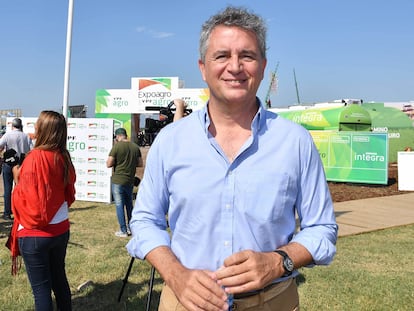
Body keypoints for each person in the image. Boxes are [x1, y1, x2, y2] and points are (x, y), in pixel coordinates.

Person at [126, 6, 338, 311]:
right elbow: (146, 220)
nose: (235, 66)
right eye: (222, 55)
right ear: (203, 67)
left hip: (272, 301)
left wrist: (279, 262)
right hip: (184, 301)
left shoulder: (295, 142)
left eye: (247, 56)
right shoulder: (171, 142)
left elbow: (322, 228)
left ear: (263, 67)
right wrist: (176, 274)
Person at [7, 111, 76, 310]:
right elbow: (66, 192)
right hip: (60, 230)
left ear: (42, 130)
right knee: (59, 281)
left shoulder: (34, 158)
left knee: (41, 290)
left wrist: (15, 173)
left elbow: (26, 199)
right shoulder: (64, 157)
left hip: (34, 234)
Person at [107, 127, 143, 238]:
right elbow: (140, 163)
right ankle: (132, 228)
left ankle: (123, 230)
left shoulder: (116, 147)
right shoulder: (135, 147)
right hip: (130, 180)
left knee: (119, 205)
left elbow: (109, 163)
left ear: (117, 137)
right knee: (129, 205)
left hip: (118, 180)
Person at [0, 117, 32, 220]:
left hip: (9, 164)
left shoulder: (7, 135)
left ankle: (7, 213)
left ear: (12, 125)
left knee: (7, 189)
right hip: (21, 164)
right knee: (21, 189)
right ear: (21, 125)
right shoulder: (26, 136)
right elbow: (32, 149)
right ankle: (20, 211)